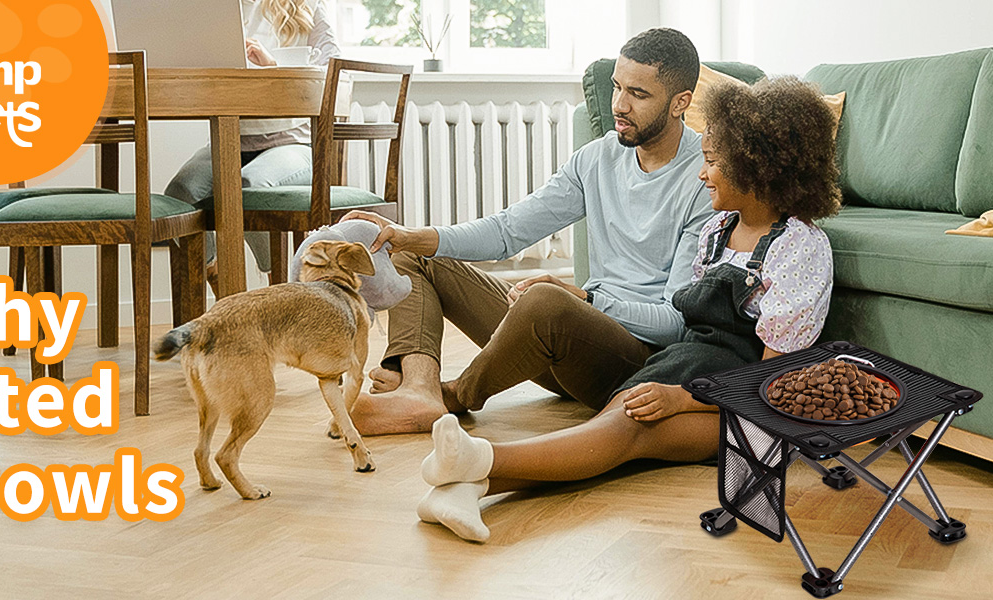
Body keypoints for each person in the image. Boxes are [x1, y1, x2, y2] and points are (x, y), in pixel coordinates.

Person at [412, 75, 843, 542]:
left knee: (628, 428)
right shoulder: (718, 231)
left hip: (748, 411)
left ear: (757, 167)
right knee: (614, 426)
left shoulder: (800, 248)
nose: (702, 174)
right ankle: (465, 488)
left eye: (713, 162)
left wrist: (683, 398)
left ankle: (479, 459)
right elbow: (692, 330)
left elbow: (772, 382)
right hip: (688, 367)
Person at [342, 28, 715, 435]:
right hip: (562, 342)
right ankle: (420, 390)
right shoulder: (596, 158)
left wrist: (586, 299)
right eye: (617, 87)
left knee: (545, 300)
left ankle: (456, 395)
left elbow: (675, 323)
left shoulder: (707, 178)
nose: (619, 106)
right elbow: (508, 231)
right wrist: (409, 234)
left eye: (638, 95)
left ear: (680, 102)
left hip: (631, 365)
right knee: (412, 255)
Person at [163, 0, 340, 280]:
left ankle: (277, 285)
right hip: (228, 140)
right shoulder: (214, 11)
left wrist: (274, 66)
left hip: (292, 143)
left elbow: (333, 72)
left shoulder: (306, 6)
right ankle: (220, 283)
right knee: (180, 193)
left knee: (248, 188)